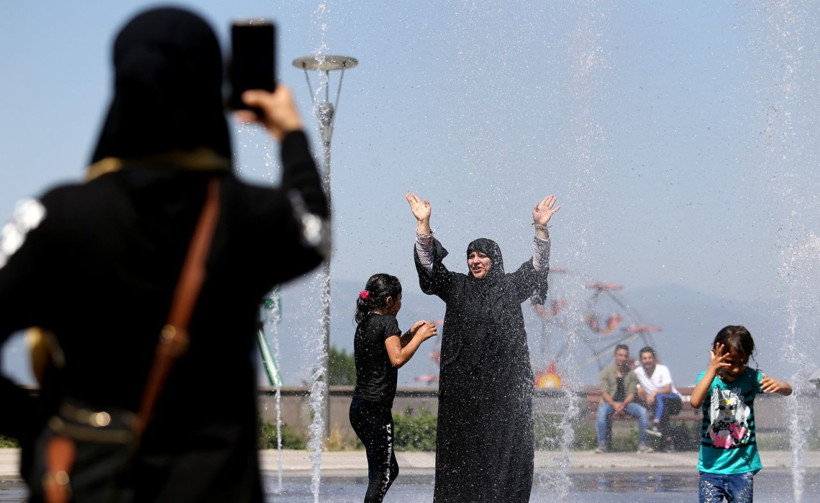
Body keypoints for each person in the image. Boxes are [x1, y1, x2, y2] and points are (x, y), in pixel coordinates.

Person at [0, 7, 328, 502]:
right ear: (210, 91)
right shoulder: (245, 214)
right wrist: (290, 134)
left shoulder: (57, 215)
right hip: (216, 485)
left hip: (89, 478)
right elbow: (315, 232)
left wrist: (38, 426)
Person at [406, 192, 559, 503]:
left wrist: (540, 229)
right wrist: (424, 225)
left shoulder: (510, 286)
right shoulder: (457, 287)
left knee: (506, 453)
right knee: (461, 454)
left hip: (504, 391)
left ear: (495, 258)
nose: (475, 261)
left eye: (481, 256)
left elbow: (538, 267)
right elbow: (431, 269)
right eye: (470, 256)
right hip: (463, 393)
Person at [349, 273, 437, 503]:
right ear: (389, 301)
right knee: (383, 474)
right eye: (399, 299)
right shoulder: (388, 322)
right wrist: (419, 338)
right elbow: (396, 358)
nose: (400, 304)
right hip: (376, 411)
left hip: (359, 408)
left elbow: (387, 350)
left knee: (385, 470)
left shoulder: (366, 321)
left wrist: (407, 334)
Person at [689, 325, 792, 503]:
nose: (736, 369)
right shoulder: (707, 379)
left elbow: (788, 390)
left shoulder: (751, 378)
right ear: (716, 354)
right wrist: (712, 369)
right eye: (730, 362)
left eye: (741, 362)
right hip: (711, 469)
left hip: (742, 469)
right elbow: (695, 402)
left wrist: (780, 385)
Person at [596, 344, 653, 453]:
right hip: (609, 403)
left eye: (625, 356)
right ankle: (602, 444)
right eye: (620, 355)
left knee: (643, 411)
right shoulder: (606, 373)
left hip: (627, 404)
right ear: (615, 356)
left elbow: (631, 394)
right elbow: (604, 393)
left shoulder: (631, 374)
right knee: (602, 412)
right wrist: (614, 404)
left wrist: (622, 405)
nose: (622, 358)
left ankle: (643, 445)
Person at [634, 346, 683, 451]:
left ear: (654, 358)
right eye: (645, 358)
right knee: (662, 410)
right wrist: (639, 387)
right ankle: (668, 443)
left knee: (660, 398)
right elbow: (633, 383)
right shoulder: (638, 372)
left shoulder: (662, 369)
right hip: (659, 406)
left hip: (673, 401)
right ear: (641, 360)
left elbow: (668, 388)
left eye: (650, 358)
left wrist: (654, 392)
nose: (647, 361)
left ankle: (655, 424)